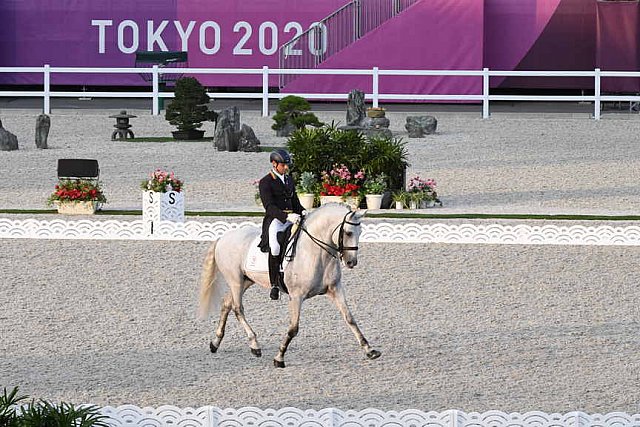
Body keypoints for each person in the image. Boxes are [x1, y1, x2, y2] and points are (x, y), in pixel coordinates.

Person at [258, 149, 305, 300]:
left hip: (293, 217)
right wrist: (286, 216)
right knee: (275, 246)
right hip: (276, 220)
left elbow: (295, 202)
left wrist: (303, 212)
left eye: (287, 165)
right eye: (283, 165)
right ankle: (274, 283)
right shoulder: (266, 182)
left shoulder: (289, 180)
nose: (286, 168)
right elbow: (269, 207)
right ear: (274, 164)